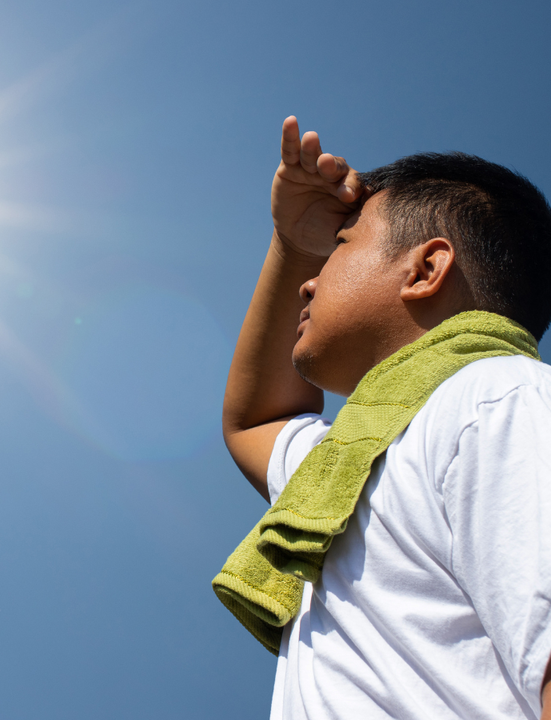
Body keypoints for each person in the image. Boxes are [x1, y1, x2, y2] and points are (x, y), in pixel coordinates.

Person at [218, 115, 551, 720]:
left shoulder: (497, 400)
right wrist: (293, 246)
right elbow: (254, 420)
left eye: (338, 249)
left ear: (425, 270)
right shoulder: (346, 471)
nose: (307, 284)